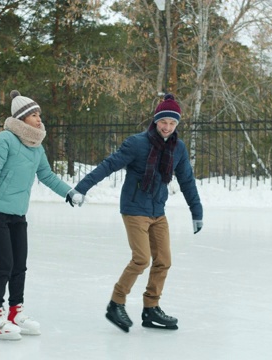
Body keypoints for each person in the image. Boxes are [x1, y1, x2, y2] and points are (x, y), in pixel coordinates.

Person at [73, 94, 203, 332]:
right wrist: (81, 188)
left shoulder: (179, 149)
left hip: (157, 210)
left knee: (163, 261)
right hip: (134, 209)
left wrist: (197, 211)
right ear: (156, 121)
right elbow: (108, 165)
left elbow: (187, 181)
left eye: (173, 123)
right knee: (142, 258)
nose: (167, 127)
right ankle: (116, 302)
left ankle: (151, 309)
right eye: (164, 121)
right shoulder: (137, 143)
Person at [0, 90, 84, 340]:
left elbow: (47, 176)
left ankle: (15, 312)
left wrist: (69, 192)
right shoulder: (5, 139)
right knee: (4, 266)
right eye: (33, 114)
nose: (38, 119)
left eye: (39, 114)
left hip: (18, 215)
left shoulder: (36, 146)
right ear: (21, 118)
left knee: (19, 267)